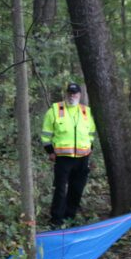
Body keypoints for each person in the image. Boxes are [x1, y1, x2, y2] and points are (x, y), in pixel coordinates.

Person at [41, 82, 96, 226]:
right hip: (63, 158)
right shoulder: (55, 109)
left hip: (83, 158)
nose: (72, 96)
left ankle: (70, 216)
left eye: (75, 93)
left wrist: (90, 146)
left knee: (77, 188)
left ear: (80, 95)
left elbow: (91, 132)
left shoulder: (86, 111)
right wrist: (50, 151)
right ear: (66, 94)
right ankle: (56, 219)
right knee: (60, 189)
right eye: (70, 93)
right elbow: (46, 134)